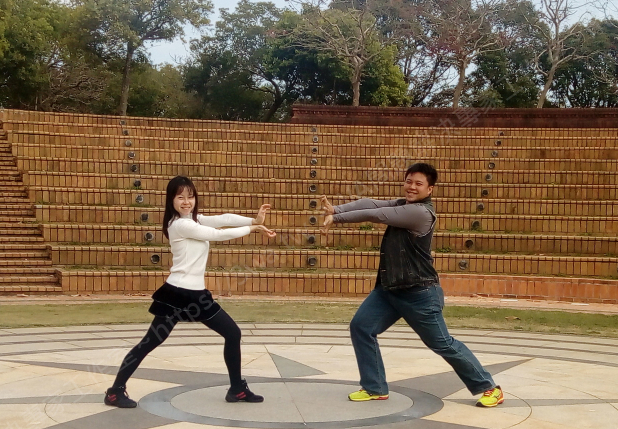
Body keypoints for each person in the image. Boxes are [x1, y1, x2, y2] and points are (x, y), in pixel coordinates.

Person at [320, 163, 504, 407]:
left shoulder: (420, 213)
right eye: (409, 181)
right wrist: (336, 208)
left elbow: (376, 215)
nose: (412, 187)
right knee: (361, 327)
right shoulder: (402, 205)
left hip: (420, 293)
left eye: (418, 183)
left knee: (442, 343)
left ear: (430, 189)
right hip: (389, 290)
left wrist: (337, 218)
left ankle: (489, 387)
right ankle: (374, 387)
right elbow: (371, 203)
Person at [104, 175, 277, 408]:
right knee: (149, 343)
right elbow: (217, 234)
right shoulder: (180, 225)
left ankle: (237, 389)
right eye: (180, 197)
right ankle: (115, 392)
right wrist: (252, 228)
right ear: (171, 200)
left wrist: (253, 219)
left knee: (232, 333)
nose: (186, 202)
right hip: (176, 295)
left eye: (190, 196)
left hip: (197, 295)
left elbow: (223, 219)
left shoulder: (194, 220)